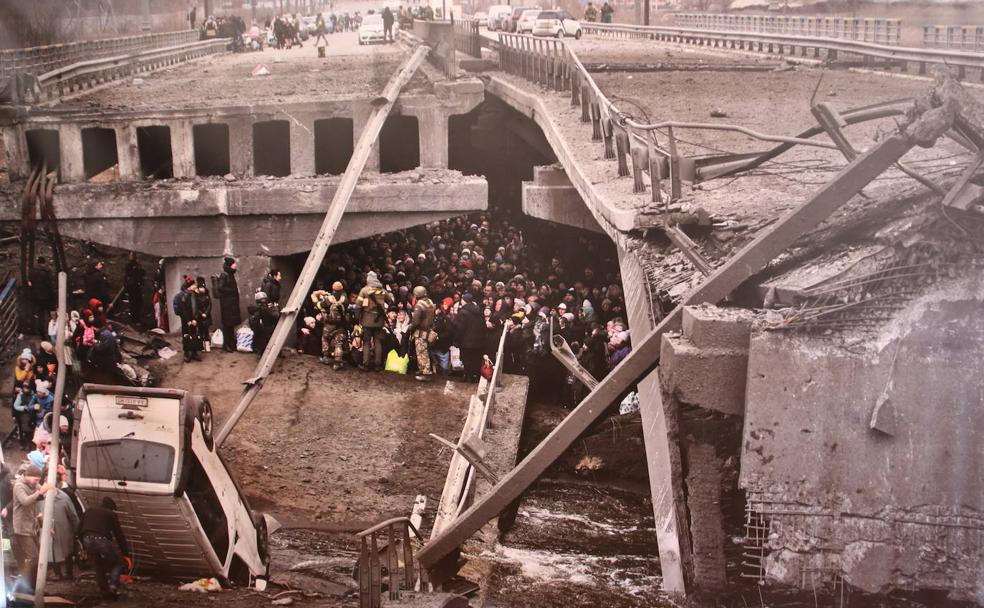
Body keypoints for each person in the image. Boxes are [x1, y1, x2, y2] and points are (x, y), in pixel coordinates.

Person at [78, 496, 129, 598]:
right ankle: (113, 585)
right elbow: (118, 535)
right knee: (118, 562)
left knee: (98, 563)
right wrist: (125, 553)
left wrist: (82, 545)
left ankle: (104, 590)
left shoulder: (89, 511)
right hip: (101, 540)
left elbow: (79, 529)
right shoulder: (111, 514)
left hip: (86, 539)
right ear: (111, 507)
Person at [12, 465, 52, 590]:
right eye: (35, 480)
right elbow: (25, 501)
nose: (37, 483)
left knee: (38, 557)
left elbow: (39, 503)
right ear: (28, 476)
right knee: (34, 557)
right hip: (22, 529)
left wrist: (44, 525)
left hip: (32, 528)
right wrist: (40, 492)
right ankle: (27, 585)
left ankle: (33, 585)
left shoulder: (33, 485)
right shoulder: (19, 486)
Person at [356, 271, 394, 371]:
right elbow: (391, 301)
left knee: (366, 343)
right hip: (379, 321)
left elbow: (358, 306)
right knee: (378, 342)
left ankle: (366, 364)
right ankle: (378, 365)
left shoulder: (364, 290)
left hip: (366, 320)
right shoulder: (383, 291)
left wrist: (357, 319)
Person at [46, 467, 80, 580]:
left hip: (64, 529)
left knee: (67, 551)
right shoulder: (43, 497)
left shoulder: (64, 498)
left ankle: (67, 574)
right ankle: (59, 574)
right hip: (52, 530)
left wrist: (77, 529)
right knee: (57, 550)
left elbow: (73, 515)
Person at [313, 282, 349, 370]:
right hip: (340, 325)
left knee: (325, 339)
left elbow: (319, 305)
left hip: (328, 324)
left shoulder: (329, 299)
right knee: (338, 343)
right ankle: (337, 362)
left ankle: (325, 357)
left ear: (333, 289)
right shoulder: (344, 300)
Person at [453, 292, 485, 382]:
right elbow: (483, 326)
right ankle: (475, 377)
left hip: (466, 341)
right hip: (478, 341)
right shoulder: (479, 311)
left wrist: (456, 340)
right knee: (475, 359)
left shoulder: (463, 312)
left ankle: (467, 376)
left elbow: (460, 328)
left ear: (464, 301)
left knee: (466, 359)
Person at [410, 286, 435, 381]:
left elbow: (415, 321)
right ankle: (422, 369)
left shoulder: (419, 304)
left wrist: (411, 327)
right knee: (424, 350)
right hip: (428, 330)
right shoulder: (430, 302)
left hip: (420, 331)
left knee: (421, 352)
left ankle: (425, 373)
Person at [216, 257, 241, 353]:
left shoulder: (230, 274)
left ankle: (231, 343)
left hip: (231, 303)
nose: (236, 265)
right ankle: (226, 345)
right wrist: (232, 291)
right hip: (227, 304)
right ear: (230, 265)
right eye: (234, 264)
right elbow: (220, 288)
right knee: (227, 325)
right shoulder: (225, 275)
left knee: (231, 325)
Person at [176, 276, 203, 362]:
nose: (195, 285)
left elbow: (197, 307)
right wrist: (188, 320)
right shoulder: (183, 296)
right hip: (186, 320)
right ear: (189, 286)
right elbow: (183, 310)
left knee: (195, 335)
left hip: (194, 319)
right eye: (193, 284)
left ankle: (195, 352)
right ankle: (187, 353)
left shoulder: (195, 294)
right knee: (186, 335)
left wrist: (195, 319)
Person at [28, 256, 54, 338]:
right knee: (49, 315)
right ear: (44, 263)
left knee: (40, 315)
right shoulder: (46, 272)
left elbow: (30, 284)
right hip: (46, 297)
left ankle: (41, 332)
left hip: (36, 297)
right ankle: (50, 331)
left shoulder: (31, 271)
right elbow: (49, 285)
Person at [122, 252, 146, 326]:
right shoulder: (130, 266)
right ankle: (134, 319)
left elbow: (142, 273)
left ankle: (136, 318)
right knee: (134, 303)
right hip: (132, 287)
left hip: (135, 286)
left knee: (137, 302)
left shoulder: (136, 265)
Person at [194, 277, 213, 352]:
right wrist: (201, 313)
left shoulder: (207, 294)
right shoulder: (195, 295)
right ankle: (201, 345)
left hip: (207, 316)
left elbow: (210, 304)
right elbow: (196, 306)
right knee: (200, 331)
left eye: (203, 287)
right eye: (201, 287)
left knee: (206, 331)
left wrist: (206, 313)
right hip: (200, 316)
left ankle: (207, 345)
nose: (203, 289)